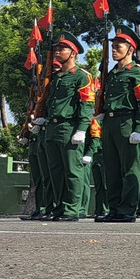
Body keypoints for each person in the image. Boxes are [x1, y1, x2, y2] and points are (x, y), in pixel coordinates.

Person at [33, 31, 95, 222]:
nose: (58, 52)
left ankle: (71, 209)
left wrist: (82, 129)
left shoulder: (82, 77)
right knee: (55, 171)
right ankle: (59, 207)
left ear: (73, 53)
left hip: (69, 127)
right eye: (57, 49)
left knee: (72, 171)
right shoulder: (57, 77)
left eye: (62, 49)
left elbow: (86, 105)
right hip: (52, 128)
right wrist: (42, 118)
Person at [95, 26, 140, 223]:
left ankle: (127, 209)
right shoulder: (111, 73)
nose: (113, 50)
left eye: (118, 46)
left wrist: (139, 129)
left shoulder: (138, 73)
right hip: (110, 123)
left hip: (127, 122)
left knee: (129, 168)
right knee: (111, 168)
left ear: (130, 49)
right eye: (112, 46)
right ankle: (114, 208)